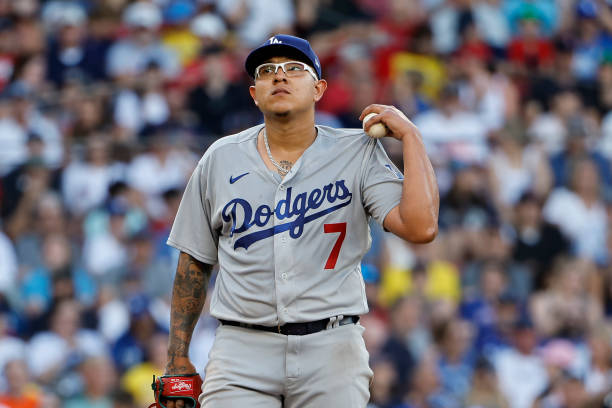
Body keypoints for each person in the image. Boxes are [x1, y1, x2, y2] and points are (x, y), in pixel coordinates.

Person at [164, 34, 439, 407]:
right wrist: (177, 356)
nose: (279, 76)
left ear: (318, 89)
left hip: (332, 347)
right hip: (242, 349)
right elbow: (194, 261)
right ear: (254, 93)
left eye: (294, 69)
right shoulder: (220, 158)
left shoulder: (357, 152)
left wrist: (412, 137)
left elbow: (421, 227)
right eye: (267, 71)